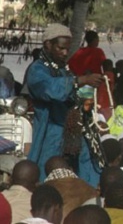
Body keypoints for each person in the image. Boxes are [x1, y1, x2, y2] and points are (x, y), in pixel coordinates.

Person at [26, 24, 103, 181]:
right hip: (50, 131)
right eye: (61, 48)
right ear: (48, 45)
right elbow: (50, 89)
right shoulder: (37, 70)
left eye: (67, 49)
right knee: (47, 171)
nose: (65, 53)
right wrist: (81, 80)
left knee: (87, 163)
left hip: (72, 129)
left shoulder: (63, 69)